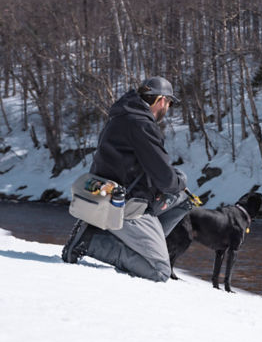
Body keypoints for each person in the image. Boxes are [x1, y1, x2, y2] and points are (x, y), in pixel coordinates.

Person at [62, 76, 192, 282]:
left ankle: (141, 243)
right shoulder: (142, 125)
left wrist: (176, 184)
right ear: (161, 100)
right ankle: (92, 241)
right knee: (159, 272)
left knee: (184, 201)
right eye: (169, 103)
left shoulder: (120, 117)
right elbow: (166, 180)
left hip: (107, 194)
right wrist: (180, 181)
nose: (168, 108)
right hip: (128, 205)